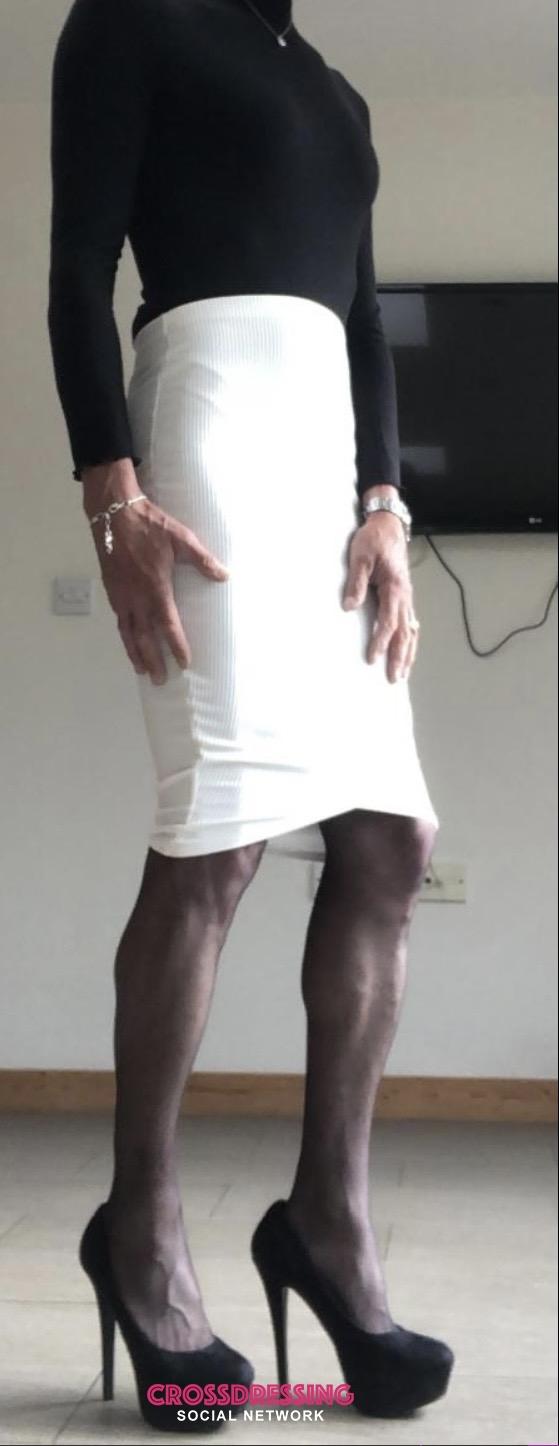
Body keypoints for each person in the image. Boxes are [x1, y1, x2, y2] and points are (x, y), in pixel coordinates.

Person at [47, 0, 454, 1431]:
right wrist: (111, 489)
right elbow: (76, 266)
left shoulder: (334, 92)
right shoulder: (130, 18)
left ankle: (329, 1224)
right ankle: (142, 1230)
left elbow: (366, 318)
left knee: (390, 839)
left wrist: (387, 503)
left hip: (328, 458)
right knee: (216, 836)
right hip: (207, 428)